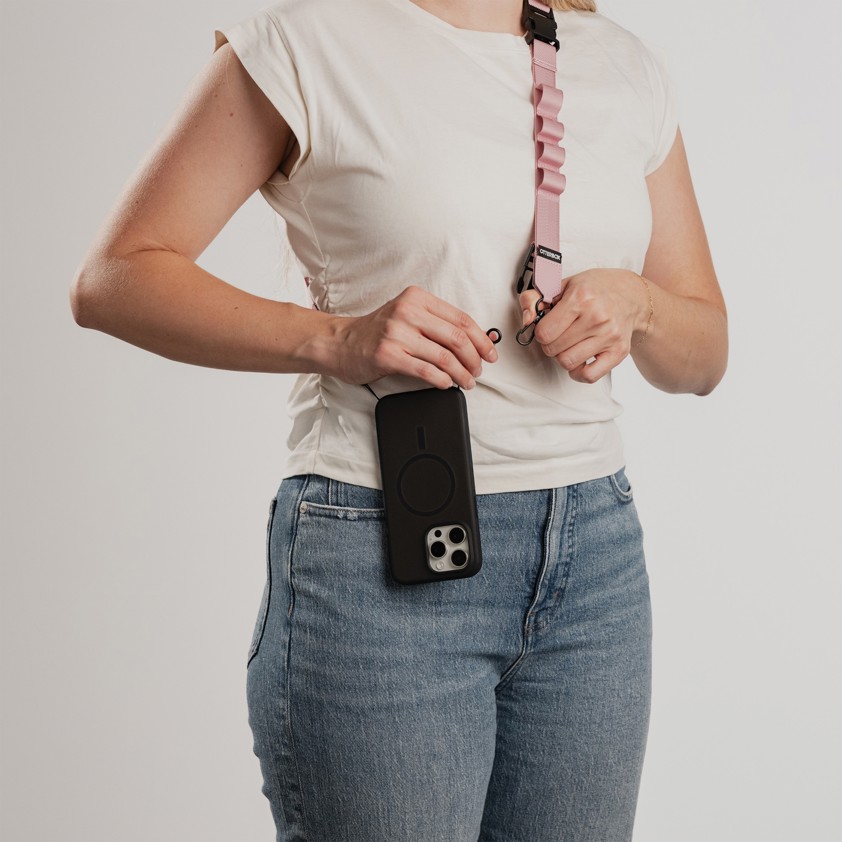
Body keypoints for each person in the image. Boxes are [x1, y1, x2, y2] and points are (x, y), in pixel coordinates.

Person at [70, 0, 728, 838]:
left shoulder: (623, 63)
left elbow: (704, 355)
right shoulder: (306, 43)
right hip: (379, 555)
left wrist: (640, 306)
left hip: (593, 560)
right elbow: (114, 277)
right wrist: (336, 339)